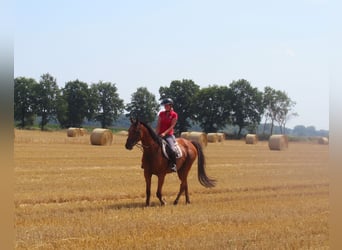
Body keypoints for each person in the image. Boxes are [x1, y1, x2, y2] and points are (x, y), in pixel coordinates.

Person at [156, 98, 178, 172]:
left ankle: (173, 165)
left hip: (168, 135)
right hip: (160, 134)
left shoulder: (174, 115)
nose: (165, 106)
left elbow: (172, 126)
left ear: (170, 105)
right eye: (164, 105)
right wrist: (156, 134)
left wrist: (164, 133)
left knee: (172, 149)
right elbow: (158, 124)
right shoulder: (161, 114)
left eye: (166, 105)